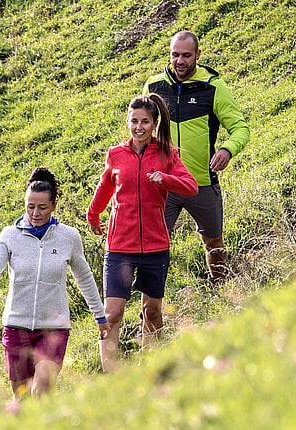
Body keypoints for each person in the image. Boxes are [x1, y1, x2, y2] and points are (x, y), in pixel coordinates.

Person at [87, 94, 198, 371]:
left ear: (154, 123)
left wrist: (167, 179)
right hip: (120, 248)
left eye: (145, 121)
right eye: (134, 121)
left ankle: (150, 370)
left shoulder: (166, 153)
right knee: (112, 315)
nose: (139, 127)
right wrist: (93, 215)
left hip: (155, 247)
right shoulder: (116, 155)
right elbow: (105, 188)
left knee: (153, 312)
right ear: (128, 122)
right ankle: (113, 377)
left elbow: (191, 186)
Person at [0, 167, 110, 399]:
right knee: (22, 399)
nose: (35, 213)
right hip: (16, 327)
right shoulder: (9, 235)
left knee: (41, 389)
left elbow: (84, 277)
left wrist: (100, 316)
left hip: (54, 328)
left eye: (42, 207)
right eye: (30, 206)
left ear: (54, 206)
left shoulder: (68, 237)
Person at [143, 30, 251, 285]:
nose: (180, 61)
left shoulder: (213, 87)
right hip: (164, 183)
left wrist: (227, 150)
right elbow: (139, 128)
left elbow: (240, 128)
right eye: (175, 55)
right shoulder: (154, 86)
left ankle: (221, 289)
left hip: (201, 181)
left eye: (186, 56)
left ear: (198, 55)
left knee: (213, 241)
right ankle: (150, 310)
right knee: (154, 246)